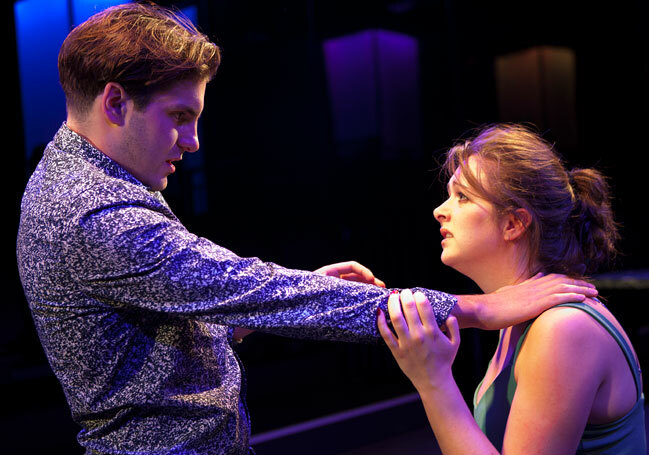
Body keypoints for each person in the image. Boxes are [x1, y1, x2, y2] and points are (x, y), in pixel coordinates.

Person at [15, 4, 598, 454]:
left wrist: (271, 310)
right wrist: (477, 310)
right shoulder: (91, 209)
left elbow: (160, 324)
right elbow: (252, 287)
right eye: (179, 118)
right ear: (115, 101)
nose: (192, 142)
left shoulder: (85, 182)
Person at [378, 124, 646, 454]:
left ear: (513, 224)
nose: (440, 210)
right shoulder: (520, 318)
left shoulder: (562, 328)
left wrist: (433, 381)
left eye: (462, 197)